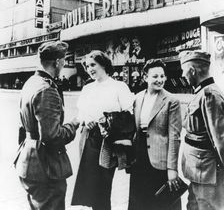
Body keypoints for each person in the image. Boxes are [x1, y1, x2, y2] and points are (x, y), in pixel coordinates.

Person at [14, 41, 79, 210]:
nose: (64, 64)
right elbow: (52, 136)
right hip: (46, 167)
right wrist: (74, 124)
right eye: (64, 61)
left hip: (29, 162)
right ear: (57, 62)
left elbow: (23, 127)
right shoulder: (47, 89)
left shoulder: (31, 82)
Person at [71, 50, 134, 210]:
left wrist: (107, 121)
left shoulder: (119, 87)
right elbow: (81, 114)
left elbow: (128, 114)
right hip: (89, 139)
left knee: (104, 186)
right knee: (91, 186)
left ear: (104, 64)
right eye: (87, 66)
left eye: (93, 65)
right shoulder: (87, 88)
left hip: (108, 140)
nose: (89, 69)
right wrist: (87, 120)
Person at [128, 59, 182, 210]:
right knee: (139, 202)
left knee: (162, 203)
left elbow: (174, 137)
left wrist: (172, 169)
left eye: (162, 76)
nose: (160, 80)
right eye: (155, 76)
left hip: (160, 161)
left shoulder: (172, 101)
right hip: (140, 159)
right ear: (145, 77)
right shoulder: (137, 98)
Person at [179, 50, 224, 210]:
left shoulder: (209, 95)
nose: (183, 76)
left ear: (192, 70)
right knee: (193, 205)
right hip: (199, 170)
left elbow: (220, 139)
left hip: (207, 172)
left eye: (184, 72)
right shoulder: (201, 92)